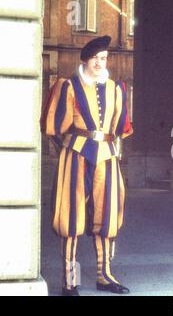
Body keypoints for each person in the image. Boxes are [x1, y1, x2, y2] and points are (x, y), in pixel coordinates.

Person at [41, 35, 133, 296]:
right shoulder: (68, 86)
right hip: (76, 155)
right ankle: (70, 282)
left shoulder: (116, 88)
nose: (101, 63)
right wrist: (68, 150)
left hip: (107, 155)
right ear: (86, 60)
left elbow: (120, 127)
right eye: (96, 59)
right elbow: (54, 128)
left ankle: (104, 276)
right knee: (71, 217)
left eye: (104, 59)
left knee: (107, 217)